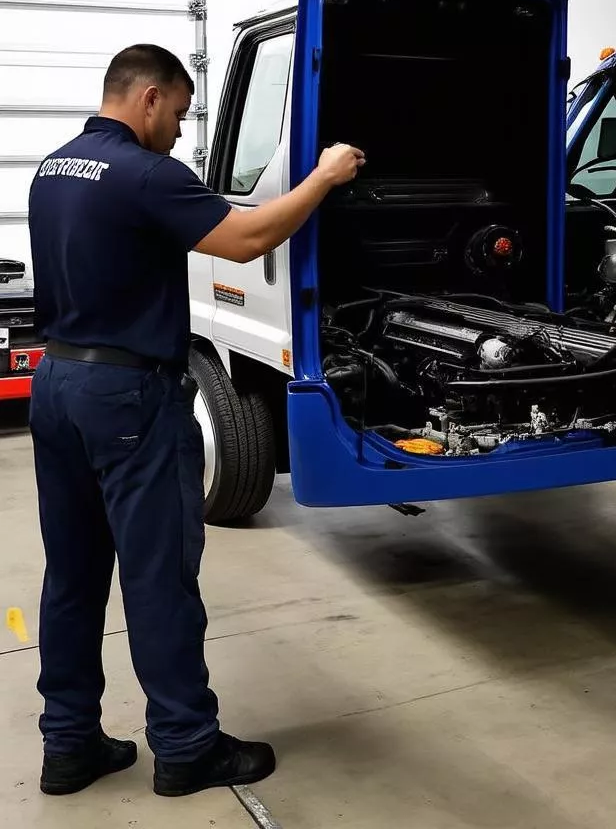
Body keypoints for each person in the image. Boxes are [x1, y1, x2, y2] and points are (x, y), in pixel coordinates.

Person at [26, 44, 364, 798]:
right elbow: (247, 239)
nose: (180, 130)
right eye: (178, 113)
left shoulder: (53, 167)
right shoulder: (147, 173)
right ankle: (185, 747)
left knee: (73, 575)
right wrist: (324, 176)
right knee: (159, 577)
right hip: (128, 394)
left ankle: (68, 745)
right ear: (147, 97)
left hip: (58, 384)